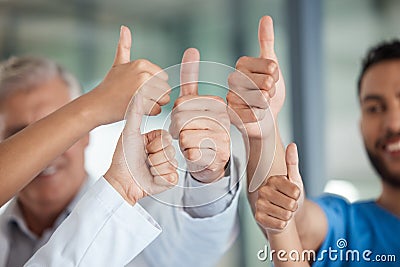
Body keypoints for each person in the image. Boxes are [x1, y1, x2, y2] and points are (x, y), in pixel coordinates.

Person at [0, 29, 240, 267]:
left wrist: (208, 175)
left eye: (55, 129)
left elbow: (195, 248)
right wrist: (96, 106)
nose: (45, 154)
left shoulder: (139, 212)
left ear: (86, 134)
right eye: (20, 135)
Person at [233, 16, 400, 266]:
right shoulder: (348, 228)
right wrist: (264, 126)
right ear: (361, 125)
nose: (393, 123)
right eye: (375, 108)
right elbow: (297, 228)